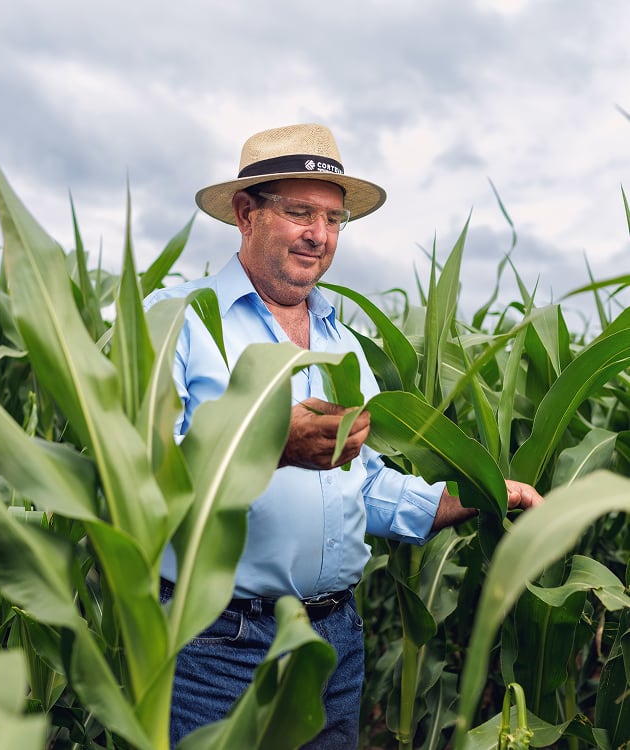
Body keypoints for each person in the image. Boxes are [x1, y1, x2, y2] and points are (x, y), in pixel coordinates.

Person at [144, 123, 543, 749]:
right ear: (246, 214)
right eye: (300, 212)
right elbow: (142, 472)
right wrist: (272, 446)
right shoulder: (179, 320)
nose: (320, 236)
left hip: (333, 642)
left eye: (334, 219)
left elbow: (365, 480)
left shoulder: (340, 341)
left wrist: (468, 497)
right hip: (217, 645)